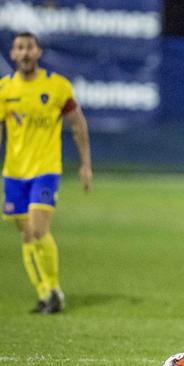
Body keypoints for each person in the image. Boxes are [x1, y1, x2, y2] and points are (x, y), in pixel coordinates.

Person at [0, 32, 92, 314]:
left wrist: (85, 164)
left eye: (29, 47)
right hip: (14, 173)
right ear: (13, 54)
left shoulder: (56, 87)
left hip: (46, 170)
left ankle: (53, 290)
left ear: (38, 52)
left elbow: (77, 124)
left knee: (39, 229)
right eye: (19, 48)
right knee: (27, 235)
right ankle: (44, 293)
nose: (25, 53)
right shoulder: (5, 89)